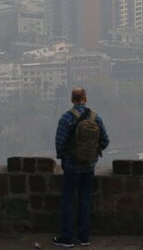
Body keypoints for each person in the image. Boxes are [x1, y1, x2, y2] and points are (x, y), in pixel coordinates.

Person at [53, 87, 109, 248]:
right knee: (85, 200)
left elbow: (60, 142)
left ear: (72, 99)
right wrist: (93, 153)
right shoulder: (95, 118)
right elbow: (105, 140)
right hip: (89, 166)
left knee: (68, 201)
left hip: (71, 166)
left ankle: (67, 237)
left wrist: (63, 156)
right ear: (85, 98)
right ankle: (84, 237)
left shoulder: (67, 118)